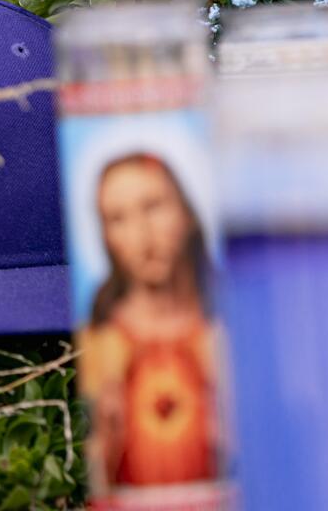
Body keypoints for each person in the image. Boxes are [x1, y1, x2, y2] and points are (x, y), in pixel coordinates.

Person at [74, 153, 220, 495]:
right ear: (106, 236)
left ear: (186, 212)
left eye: (153, 206)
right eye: (118, 218)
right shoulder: (98, 340)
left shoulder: (229, 325)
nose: (142, 234)